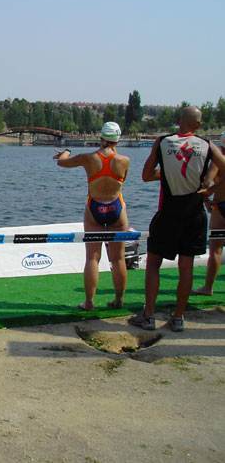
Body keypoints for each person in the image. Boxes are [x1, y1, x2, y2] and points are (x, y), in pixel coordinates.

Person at [130, 107, 225, 332]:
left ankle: (149, 316)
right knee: (186, 266)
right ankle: (178, 318)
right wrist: (210, 190)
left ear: (177, 120)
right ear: (198, 126)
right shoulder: (207, 145)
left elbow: (145, 175)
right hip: (194, 213)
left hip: (168, 212)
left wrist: (168, 172)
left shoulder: (162, 142)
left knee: (153, 264)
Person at [53, 122, 131, 310]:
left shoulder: (88, 158)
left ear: (101, 138)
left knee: (92, 258)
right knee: (118, 258)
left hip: (94, 208)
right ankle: (119, 300)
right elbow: (122, 180)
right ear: (117, 139)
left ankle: (89, 303)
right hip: (116, 209)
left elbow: (62, 162)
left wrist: (66, 151)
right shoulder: (124, 161)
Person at [192, 132, 225, 296]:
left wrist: (207, 198)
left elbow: (206, 181)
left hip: (220, 207)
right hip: (218, 205)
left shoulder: (219, 159)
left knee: (215, 250)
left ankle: (208, 287)